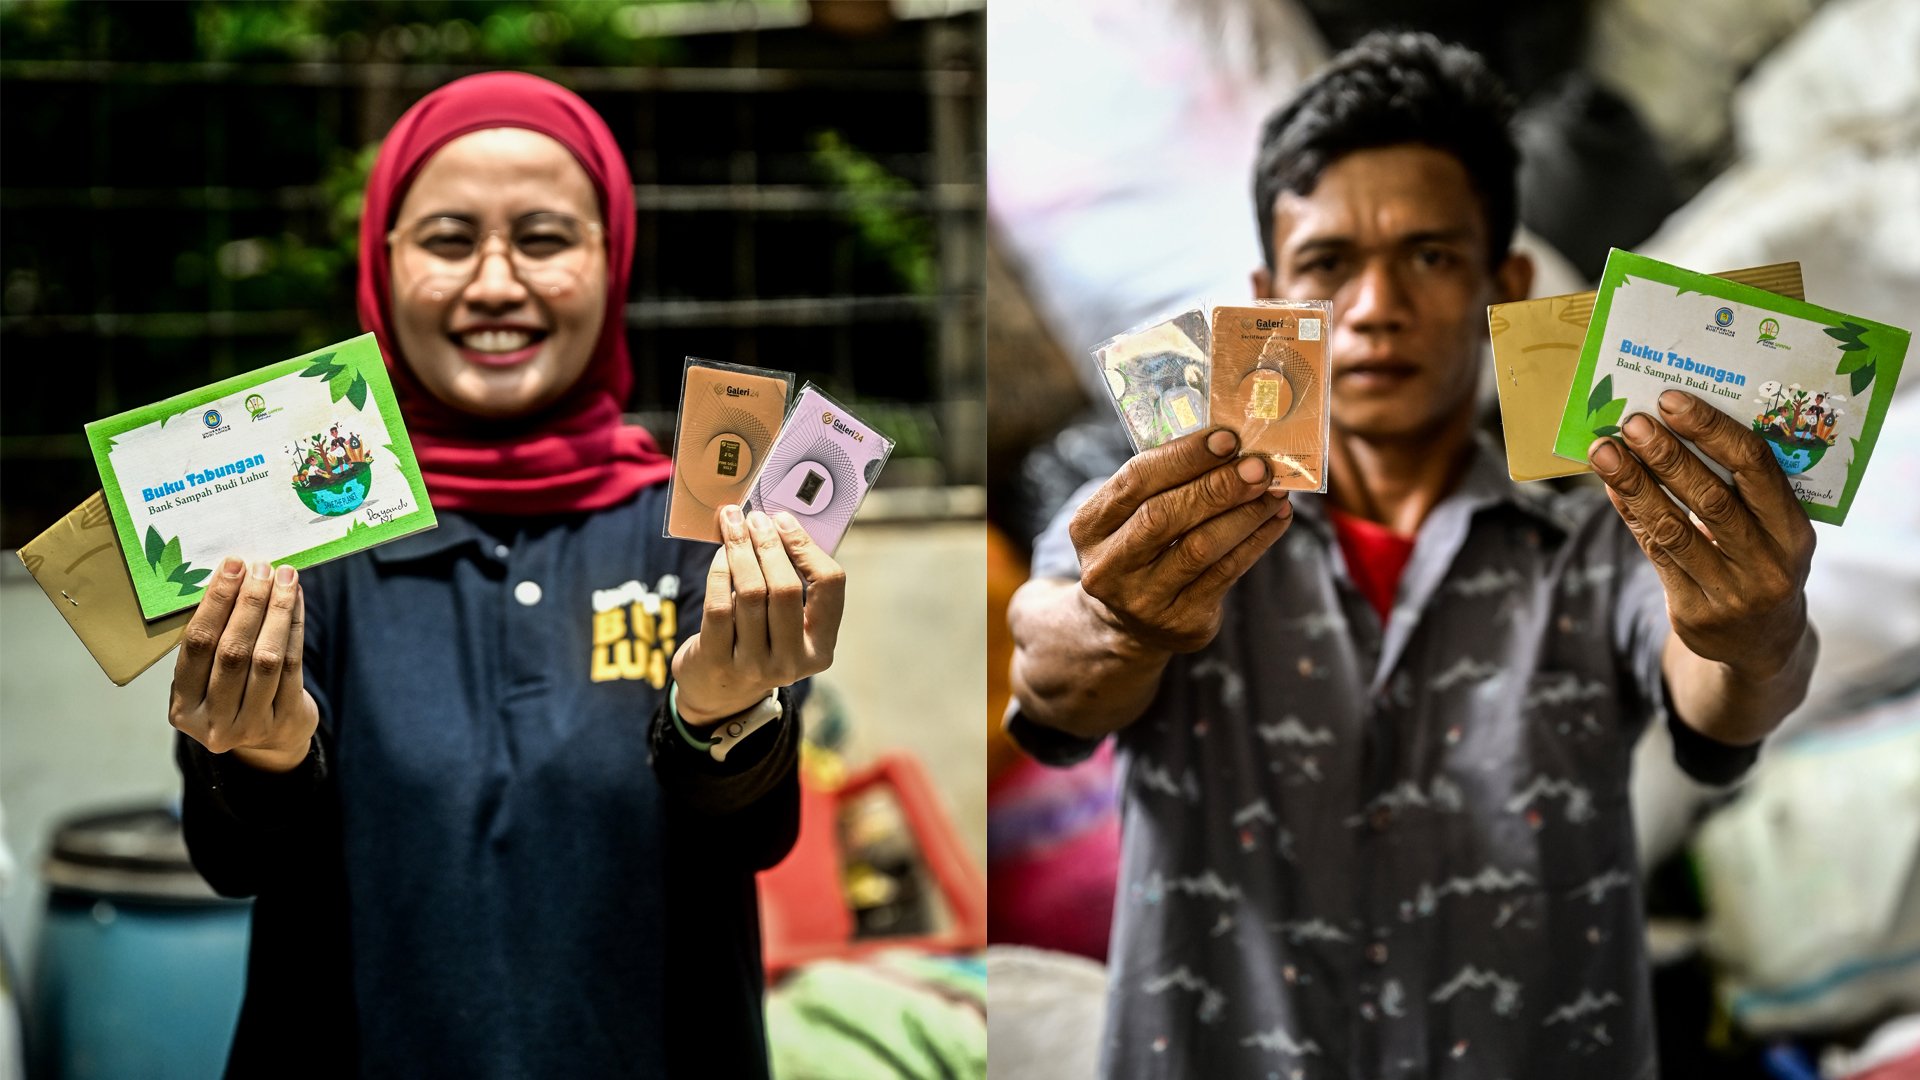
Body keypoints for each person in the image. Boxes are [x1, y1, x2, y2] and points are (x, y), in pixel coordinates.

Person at [1006, 33, 1817, 1079]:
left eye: (1430, 258)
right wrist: (1115, 627)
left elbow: (1719, 694)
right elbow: (1048, 659)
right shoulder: (1162, 516)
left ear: (1507, 282)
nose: (1377, 309)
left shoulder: (1599, 536)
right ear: (1269, 294)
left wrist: (1756, 630)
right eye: (1330, 265)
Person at [164, 72, 843, 1078]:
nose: (494, 283)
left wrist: (724, 713)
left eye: (543, 238)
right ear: (382, 262)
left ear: (612, 260)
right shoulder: (298, 528)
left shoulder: (702, 523)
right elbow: (234, 858)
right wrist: (267, 754)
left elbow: (755, 831)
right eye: (447, 239)